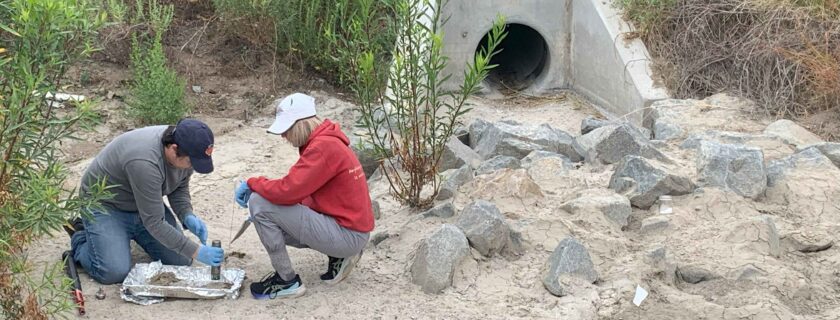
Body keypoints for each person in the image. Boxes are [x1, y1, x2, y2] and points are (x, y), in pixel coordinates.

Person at [235, 92, 374, 300]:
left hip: (348, 235)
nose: (283, 136)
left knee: (259, 204)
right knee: (270, 211)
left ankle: (286, 281)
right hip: (351, 230)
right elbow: (301, 193)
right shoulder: (328, 141)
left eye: (286, 130)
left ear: (299, 124)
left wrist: (253, 183)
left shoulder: (323, 147)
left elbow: (288, 190)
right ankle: (339, 255)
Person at [67, 119, 224, 284]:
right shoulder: (144, 162)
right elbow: (155, 223)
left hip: (143, 203)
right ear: (173, 149)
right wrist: (197, 251)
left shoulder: (187, 146)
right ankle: (80, 236)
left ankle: (122, 237)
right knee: (113, 271)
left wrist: (186, 214)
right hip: (106, 206)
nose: (191, 166)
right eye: (191, 162)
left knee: (181, 260)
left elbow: (179, 186)